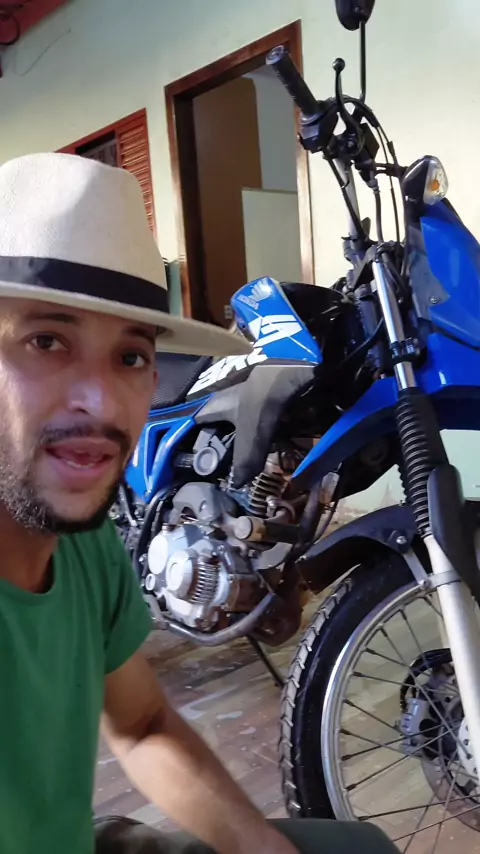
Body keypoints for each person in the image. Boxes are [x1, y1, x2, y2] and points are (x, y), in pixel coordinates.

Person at [0, 152, 398, 854]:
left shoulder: (85, 545)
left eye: (130, 356)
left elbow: (143, 724)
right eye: (47, 340)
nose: (101, 402)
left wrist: (261, 849)